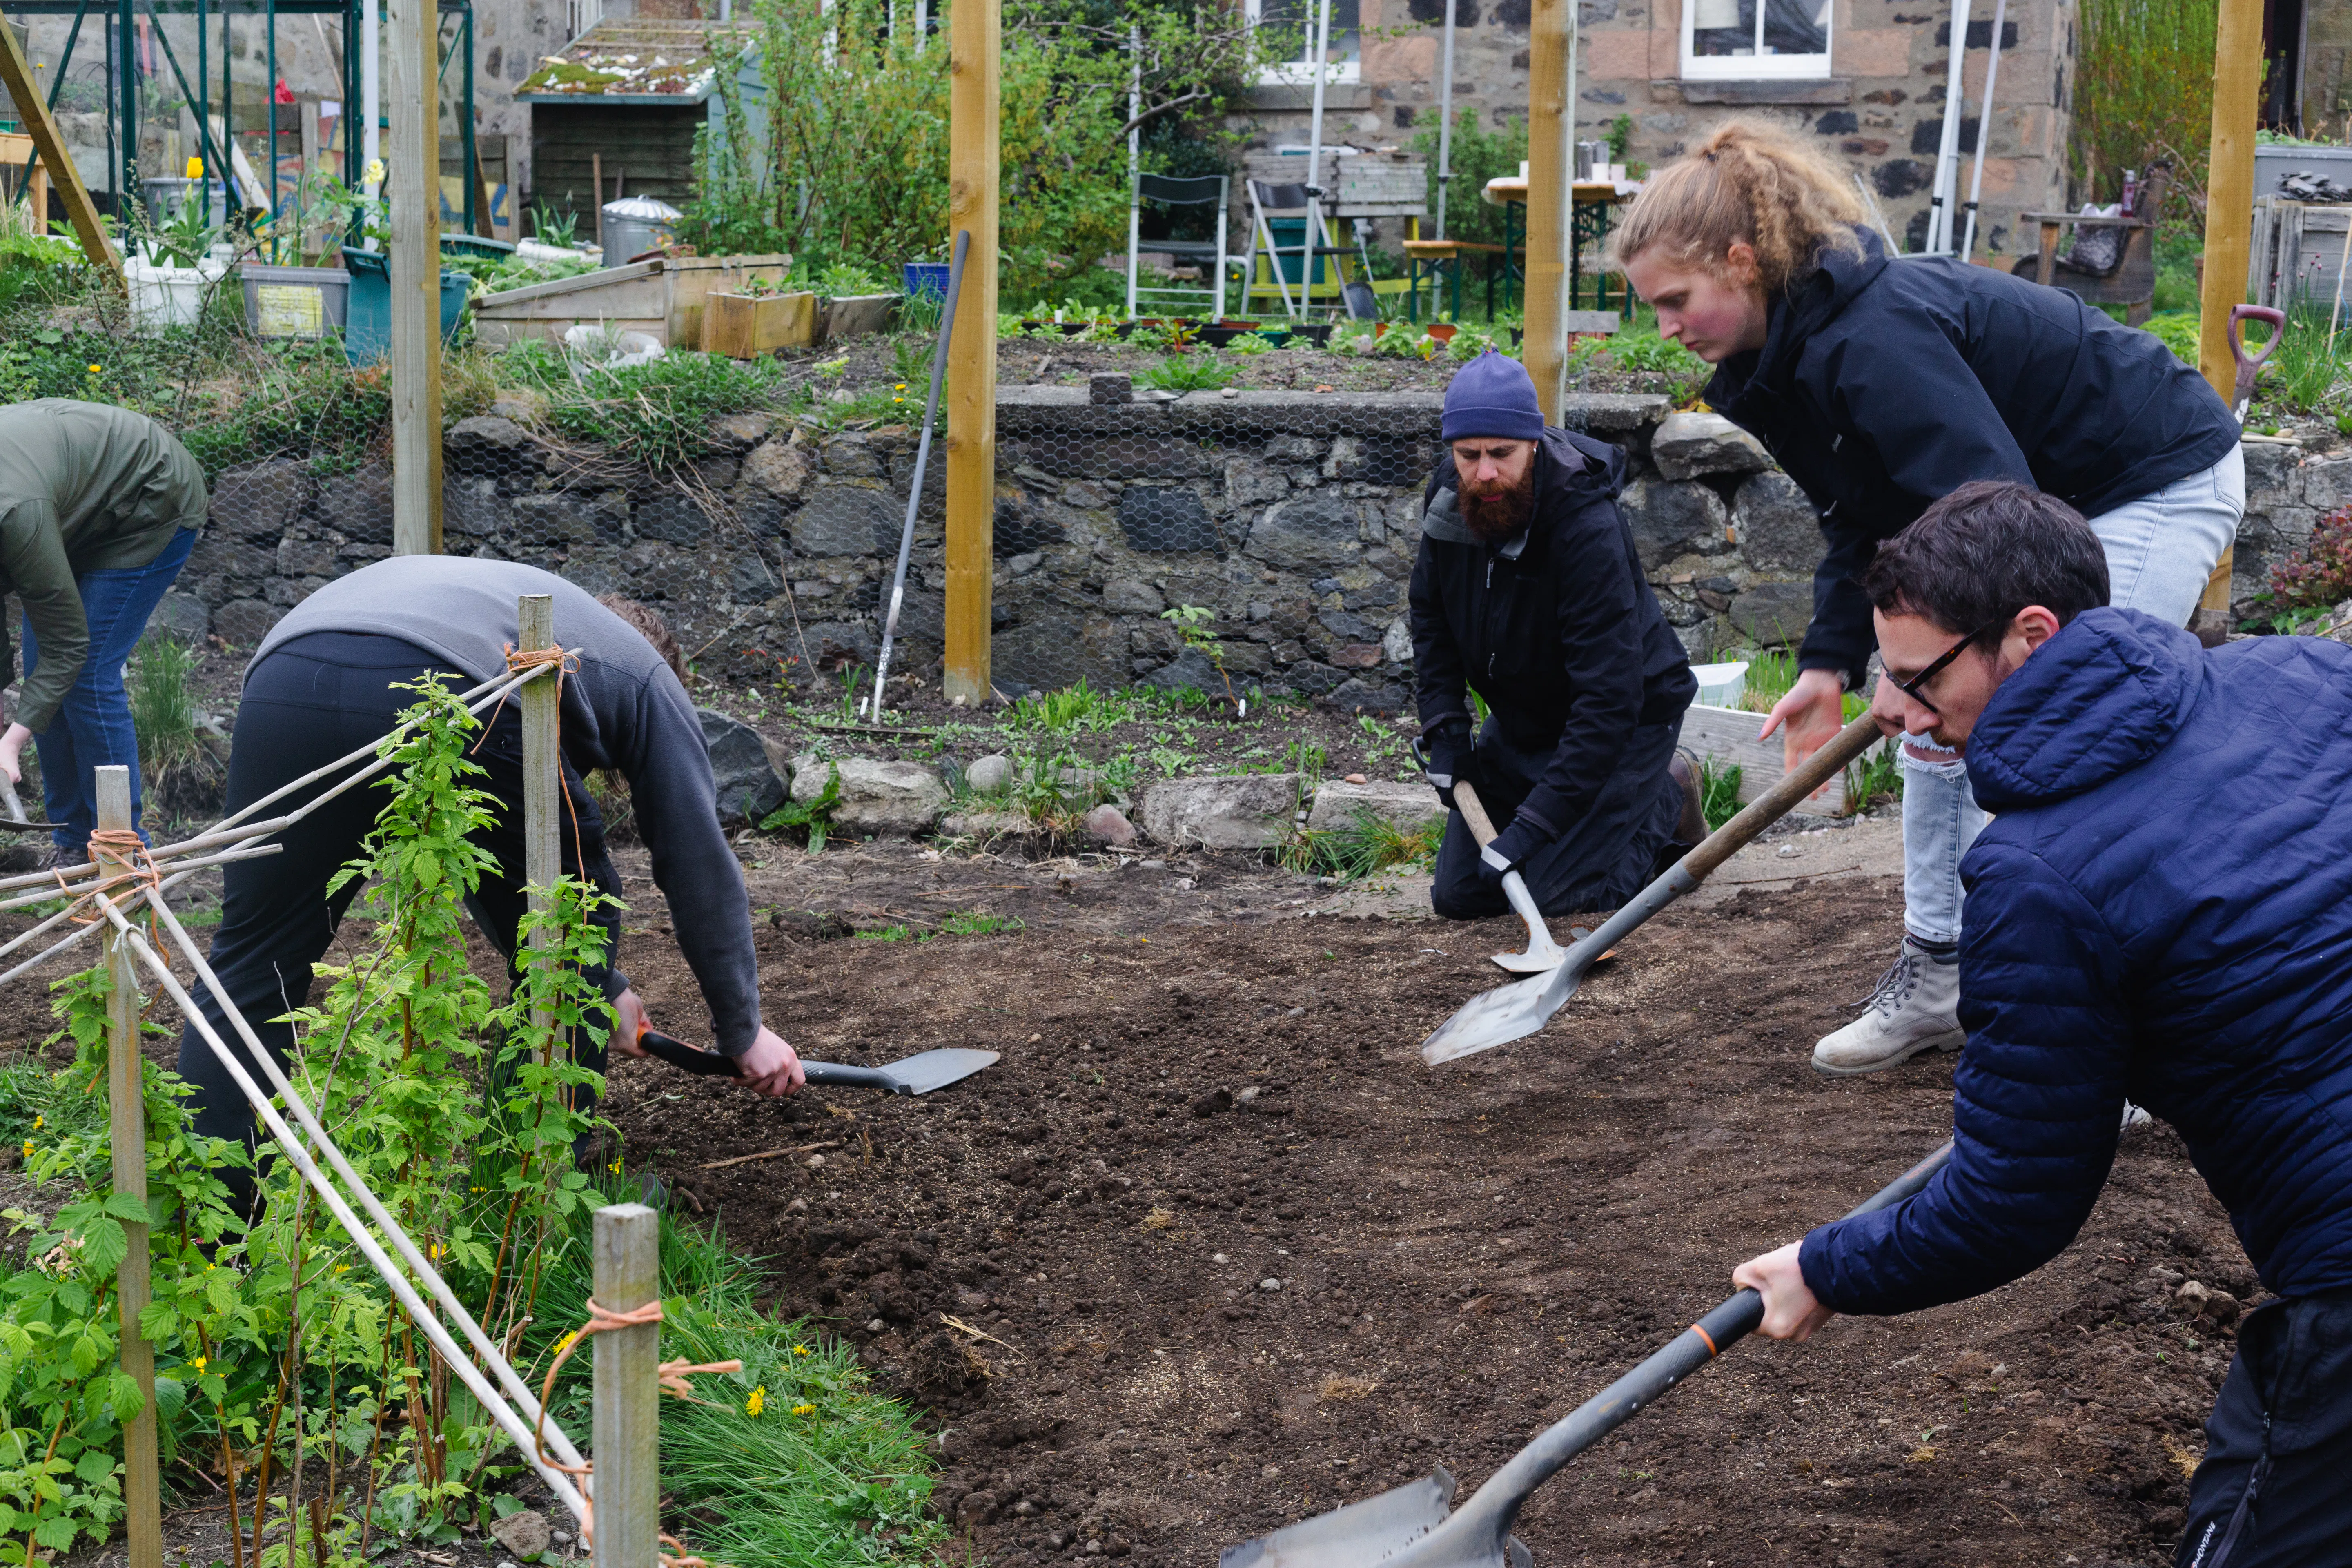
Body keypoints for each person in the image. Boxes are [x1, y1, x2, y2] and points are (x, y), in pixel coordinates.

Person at [1730, 481, 2352, 1565]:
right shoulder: (2300, 671)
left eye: (1921, 680)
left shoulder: (2032, 878)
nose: (1899, 715)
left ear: (2030, 636)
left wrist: (1829, 1267)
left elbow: (2014, 1201)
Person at [1611, 122, 2244, 1077]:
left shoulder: (1873, 338)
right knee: (1929, 723)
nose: (1663, 326)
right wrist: (1832, 666)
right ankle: (1941, 975)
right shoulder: (1775, 367)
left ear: (1739, 263)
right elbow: (1855, 515)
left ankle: (2131, 1026)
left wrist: (1936, 670)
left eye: (1673, 299)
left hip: (2146, 477)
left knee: (2076, 729)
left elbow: (1996, 513)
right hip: (2026, 499)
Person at [181, 557, 802, 1209]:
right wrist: (743, 1032)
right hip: (449, 681)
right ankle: (525, 1208)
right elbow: (695, 860)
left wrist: (610, 990)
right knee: (574, 927)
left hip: (285, 677)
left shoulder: (500, 604)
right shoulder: (648, 678)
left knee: (254, 960)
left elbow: (494, 858)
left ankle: (215, 1229)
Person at [1410, 350, 1703, 920]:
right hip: (1524, 721)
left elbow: (1610, 701)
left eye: (1502, 454)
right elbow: (1432, 618)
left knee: (1554, 900)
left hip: (1625, 726)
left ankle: (1666, 796)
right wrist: (1445, 728)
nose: (1485, 473)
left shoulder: (1585, 528)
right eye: (1469, 455)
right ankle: (1592, 817)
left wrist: (1528, 834)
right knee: (1461, 897)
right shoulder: (1452, 500)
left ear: (1534, 443)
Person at [0, 399, 207, 850]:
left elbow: (70, 646)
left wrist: (11, 744)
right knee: (44, 671)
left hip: (148, 498)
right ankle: (73, 841)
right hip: (74, 511)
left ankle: (122, 849)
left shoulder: (16, 514)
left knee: (86, 672)